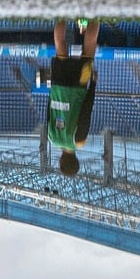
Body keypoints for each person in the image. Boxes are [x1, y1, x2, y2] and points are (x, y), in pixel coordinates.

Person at [45, 18, 100, 176]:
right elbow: (48, 111)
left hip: (78, 88)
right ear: (61, 161)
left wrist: (93, 86)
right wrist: (54, 88)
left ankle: (96, 14)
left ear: (77, 161)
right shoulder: (51, 138)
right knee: (60, 45)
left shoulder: (79, 141)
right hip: (58, 86)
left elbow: (86, 111)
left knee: (88, 52)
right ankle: (63, 12)